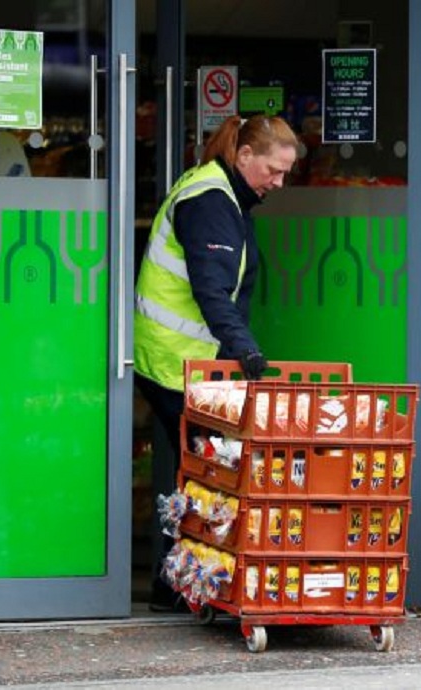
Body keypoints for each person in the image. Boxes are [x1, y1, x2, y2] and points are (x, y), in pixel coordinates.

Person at [133, 114, 298, 611]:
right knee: (214, 472)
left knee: (204, 471)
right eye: (273, 169)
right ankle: (187, 585)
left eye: (285, 172)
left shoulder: (222, 191)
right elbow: (211, 288)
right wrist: (244, 347)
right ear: (244, 155)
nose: (279, 182)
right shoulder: (211, 201)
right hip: (177, 363)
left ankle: (180, 585)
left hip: (186, 360)